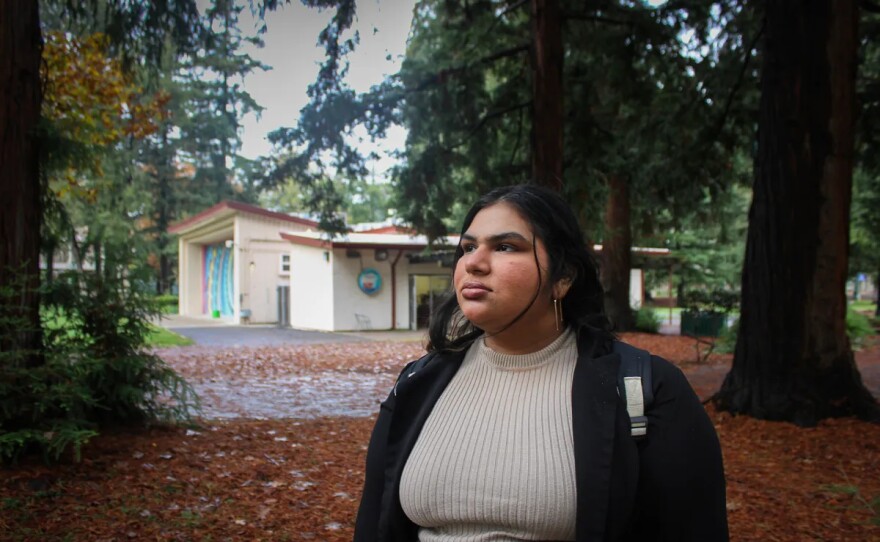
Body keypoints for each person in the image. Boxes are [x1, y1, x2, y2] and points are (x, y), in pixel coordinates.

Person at [354, 184, 728, 541]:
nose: (474, 263)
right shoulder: (417, 383)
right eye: (468, 248)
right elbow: (374, 525)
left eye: (504, 247)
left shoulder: (645, 389)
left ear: (563, 278)